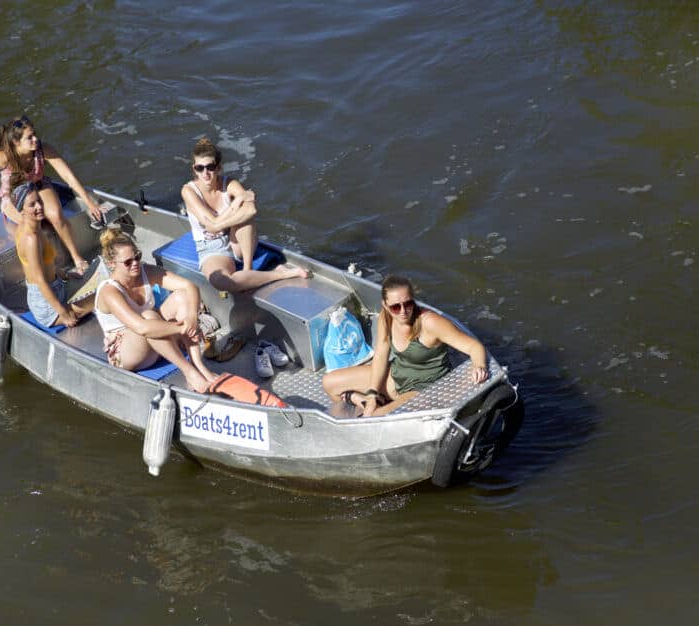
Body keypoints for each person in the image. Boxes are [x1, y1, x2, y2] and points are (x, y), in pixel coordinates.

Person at [322, 275, 490, 417]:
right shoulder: (385, 318)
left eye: (408, 304)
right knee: (330, 383)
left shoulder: (430, 323)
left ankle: (368, 405)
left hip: (423, 389)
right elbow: (380, 355)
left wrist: (479, 365)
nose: (403, 311)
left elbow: (474, 347)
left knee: (372, 417)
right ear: (385, 306)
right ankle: (366, 400)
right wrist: (372, 392)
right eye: (395, 307)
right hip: (396, 378)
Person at [0, 114, 101, 273]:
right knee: (31, 230)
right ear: (16, 142)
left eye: (35, 134)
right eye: (30, 137)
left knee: (55, 215)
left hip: (39, 185)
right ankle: (50, 270)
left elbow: (68, 176)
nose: (35, 139)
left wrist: (89, 202)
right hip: (16, 195)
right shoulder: (2, 158)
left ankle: (76, 257)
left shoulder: (43, 149)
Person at [94, 228, 218, 393]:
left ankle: (199, 365)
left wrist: (192, 318)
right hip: (128, 353)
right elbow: (141, 328)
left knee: (181, 296)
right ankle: (189, 372)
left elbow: (190, 287)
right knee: (149, 316)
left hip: (156, 339)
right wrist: (182, 328)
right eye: (128, 262)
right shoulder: (109, 292)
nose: (135, 263)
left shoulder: (146, 271)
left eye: (137, 256)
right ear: (111, 264)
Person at [180, 137, 309, 292]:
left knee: (246, 219)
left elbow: (251, 210)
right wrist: (236, 203)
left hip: (237, 242)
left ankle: (248, 269)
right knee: (222, 282)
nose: (205, 173)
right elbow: (210, 225)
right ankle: (279, 274)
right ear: (194, 169)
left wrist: (218, 224)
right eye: (199, 168)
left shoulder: (230, 184)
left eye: (210, 167)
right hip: (211, 248)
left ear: (218, 167)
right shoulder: (189, 191)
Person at [13, 184, 93, 328]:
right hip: (48, 306)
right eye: (32, 205)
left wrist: (66, 274)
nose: (39, 206)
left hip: (56, 287)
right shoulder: (31, 238)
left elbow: (46, 265)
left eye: (40, 201)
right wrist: (63, 313)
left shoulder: (31, 227)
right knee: (101, 297)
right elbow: (39, 280)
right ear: (22, 210)